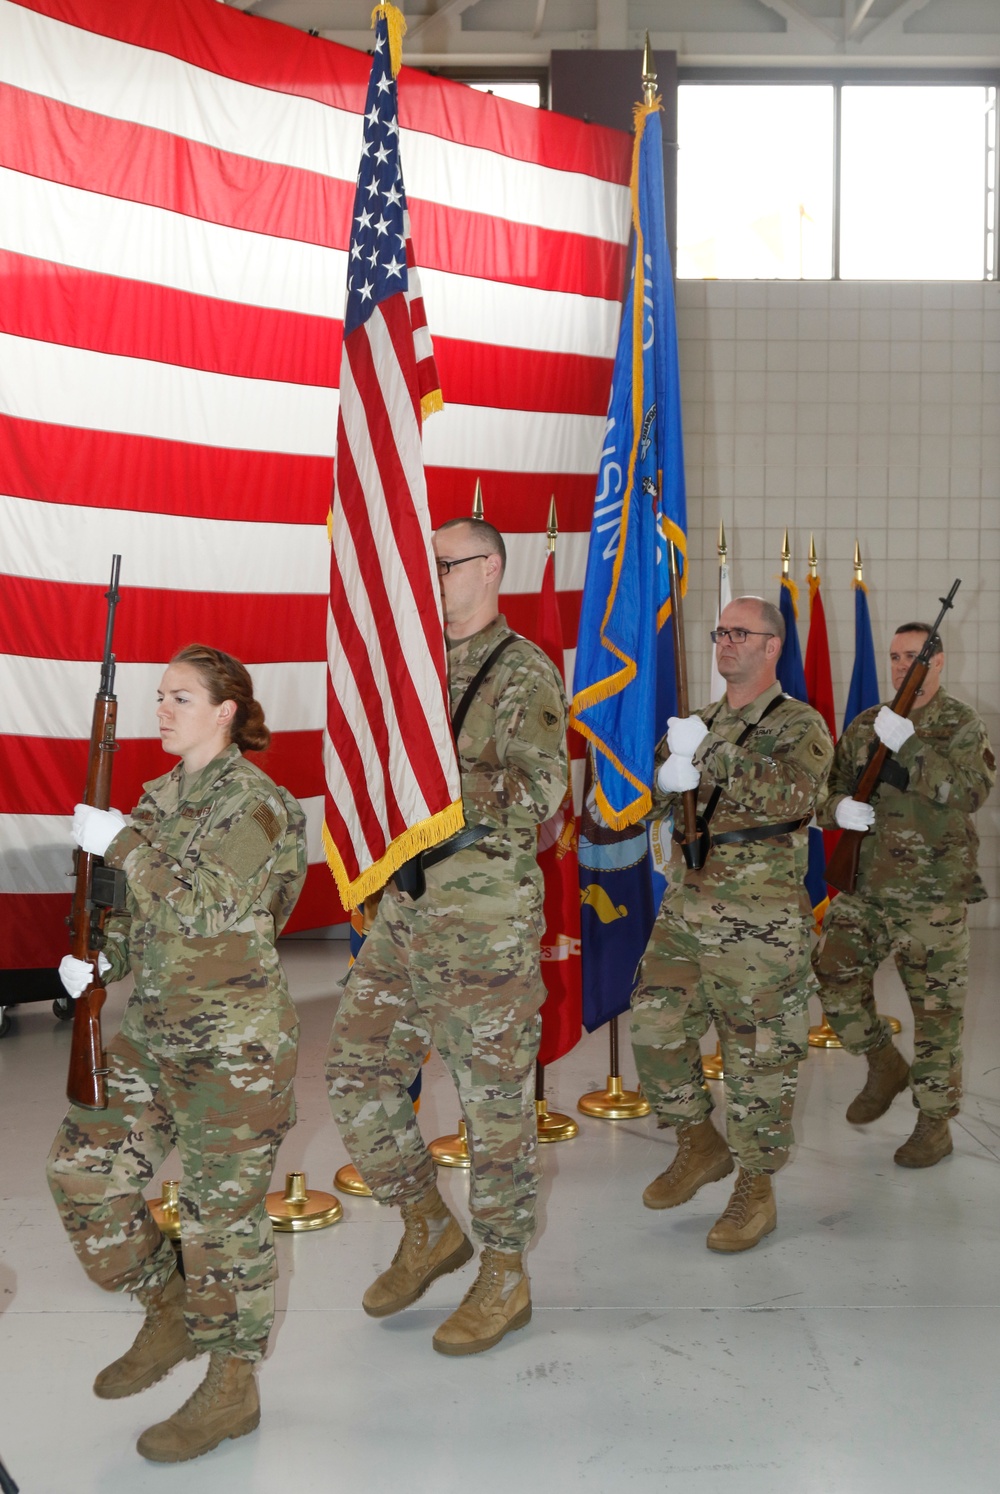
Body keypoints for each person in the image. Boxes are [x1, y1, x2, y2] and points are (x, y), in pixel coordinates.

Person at [47, 645, 306, 1463]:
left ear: (225, 711)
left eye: (180, 697)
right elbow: (138, 921)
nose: (162, 709)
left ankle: (233, 1388)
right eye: (159, 696)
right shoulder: (159, 800)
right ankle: (169, 1306)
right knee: (81, 1171)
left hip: (235, 1052)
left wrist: (121, 844)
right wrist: (99, 960)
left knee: (220, 1222)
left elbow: (210, 907)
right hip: (155, 1037)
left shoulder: (260, 805)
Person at [326, 517, 568, 1355]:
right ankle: (427, 1223)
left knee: (493, 1103)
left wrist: (440, 784)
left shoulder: (521, 668)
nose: (429, 581)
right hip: (407, 911)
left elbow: (541, 794)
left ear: (490, 568)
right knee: (355, 1076)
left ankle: (505, 1273)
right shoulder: (419, 673)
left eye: (444, 565)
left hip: (483, 918)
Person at [631, 596, 833, 1252]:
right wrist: (662, 775)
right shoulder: (696, 720)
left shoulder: (799, 723)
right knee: (655, 1025)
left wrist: (708, 752)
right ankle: (698, 1143)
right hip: (690, 904)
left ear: (772, 646)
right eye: (720, 631)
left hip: (761, 917)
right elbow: (659, 798)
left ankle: (755, 1186)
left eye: (739, 633)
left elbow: (796, 795)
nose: (725, 643)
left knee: (758, 1058)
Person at [812, 622, 995, 1166]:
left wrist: (910, 746)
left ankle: (934, 1124)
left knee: (937, 1015)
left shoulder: (960, 723)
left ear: (937, 663)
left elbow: (971, 791)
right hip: (866, 889)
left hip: (933, 898)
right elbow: (827, 788)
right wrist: (836, 810)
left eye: (911, 657)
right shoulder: (868, 722)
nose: (899, 667)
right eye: (893, 657)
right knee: (832, 977)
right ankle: (883, 1062)